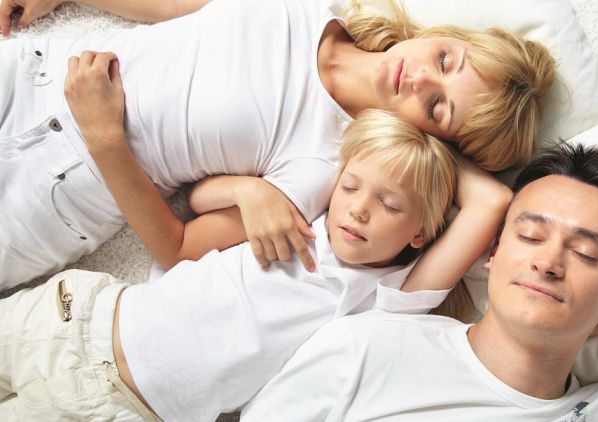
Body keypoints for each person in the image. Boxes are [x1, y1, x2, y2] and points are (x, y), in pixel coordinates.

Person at [0, 0, 556, 290]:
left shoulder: (329, 166)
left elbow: (177, 249)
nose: (419, 79)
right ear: (446, 36)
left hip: (61, 194)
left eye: (437, 107)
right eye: (445, 60)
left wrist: (105, 139)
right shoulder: (308, 7)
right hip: (36, 75)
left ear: (433, 138)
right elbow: (174, 8)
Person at [0, 109, 514, 421]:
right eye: (352, 186)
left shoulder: (387, 298)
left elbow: (491, 200)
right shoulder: (303, 214)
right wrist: (250, 192)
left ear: (421, 233)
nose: (359, 208)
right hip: (77, 316)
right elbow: (198, 198)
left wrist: (426, 146)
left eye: (390, 204)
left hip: (117, 406)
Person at [240, 144, 598, 421]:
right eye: (530, 236)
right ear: (493, 254)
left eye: (585, 253)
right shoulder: (365, 347)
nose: (548, 262)